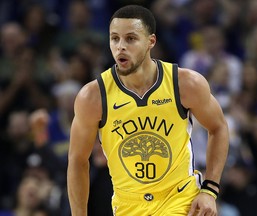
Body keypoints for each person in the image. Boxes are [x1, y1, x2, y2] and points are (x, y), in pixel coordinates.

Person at [67, 5, 229, 216]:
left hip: (180, 199)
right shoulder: (93, 97)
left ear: (151, 41)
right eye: (114, 38)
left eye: (130, 39)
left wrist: (210, 189)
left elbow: (219, 127)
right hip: (128, 206)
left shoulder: (185, 83)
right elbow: (78, 160)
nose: (120, 47)